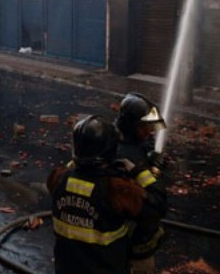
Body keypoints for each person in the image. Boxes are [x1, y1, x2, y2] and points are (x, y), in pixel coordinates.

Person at [46, 115, 165, 274]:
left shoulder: (58, 178)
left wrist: (79, 163)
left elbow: (72, 172)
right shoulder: (117, 189)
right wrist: (139, 172)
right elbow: (158, 207)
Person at [114, 93, 169, 274]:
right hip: (134, 243)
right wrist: (152, 172)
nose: (149, 131)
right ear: (131, 127)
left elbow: (144, 145)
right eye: (144, 127)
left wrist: (152, 157)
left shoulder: (131, 142)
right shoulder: (124, 157)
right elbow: (156, 205)